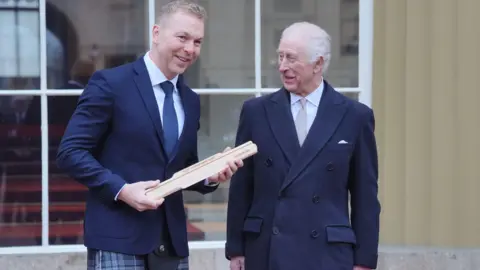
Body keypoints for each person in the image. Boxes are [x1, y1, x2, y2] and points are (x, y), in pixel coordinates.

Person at [56, 1, 242, 269]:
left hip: (172, 242)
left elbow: (180, 168)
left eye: (198, 41)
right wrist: (121, 190)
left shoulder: (189, 100)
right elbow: (70, 153)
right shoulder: (110, 84)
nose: (190, 49)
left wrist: (209, 175)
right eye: (182, 37)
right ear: (156, 33)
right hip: (118, 239)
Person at [225, 22, 380, 270]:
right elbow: (242, 186)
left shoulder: (355, 116)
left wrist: (364, 261)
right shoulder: (256, 112)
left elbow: (365, 196)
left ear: (318, 64)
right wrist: (236, 249)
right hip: (265, 251)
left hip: (328, 254)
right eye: (280, 56)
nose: (282, 66)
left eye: (291, 58)